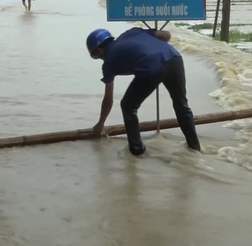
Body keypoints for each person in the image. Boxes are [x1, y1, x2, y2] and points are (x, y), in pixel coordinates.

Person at [86, 27, 201, 155]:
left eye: (96, 55)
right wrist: (154, 48)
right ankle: (195, 148)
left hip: (151, 66)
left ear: (99, 50)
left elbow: (108, 98)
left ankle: (137, 150)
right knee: (181, 105)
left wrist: (100, 124)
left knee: (127, 106)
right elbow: (166, 35)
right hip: (174, 58)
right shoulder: (132, 32)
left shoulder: (108, 63)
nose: (99, 58)